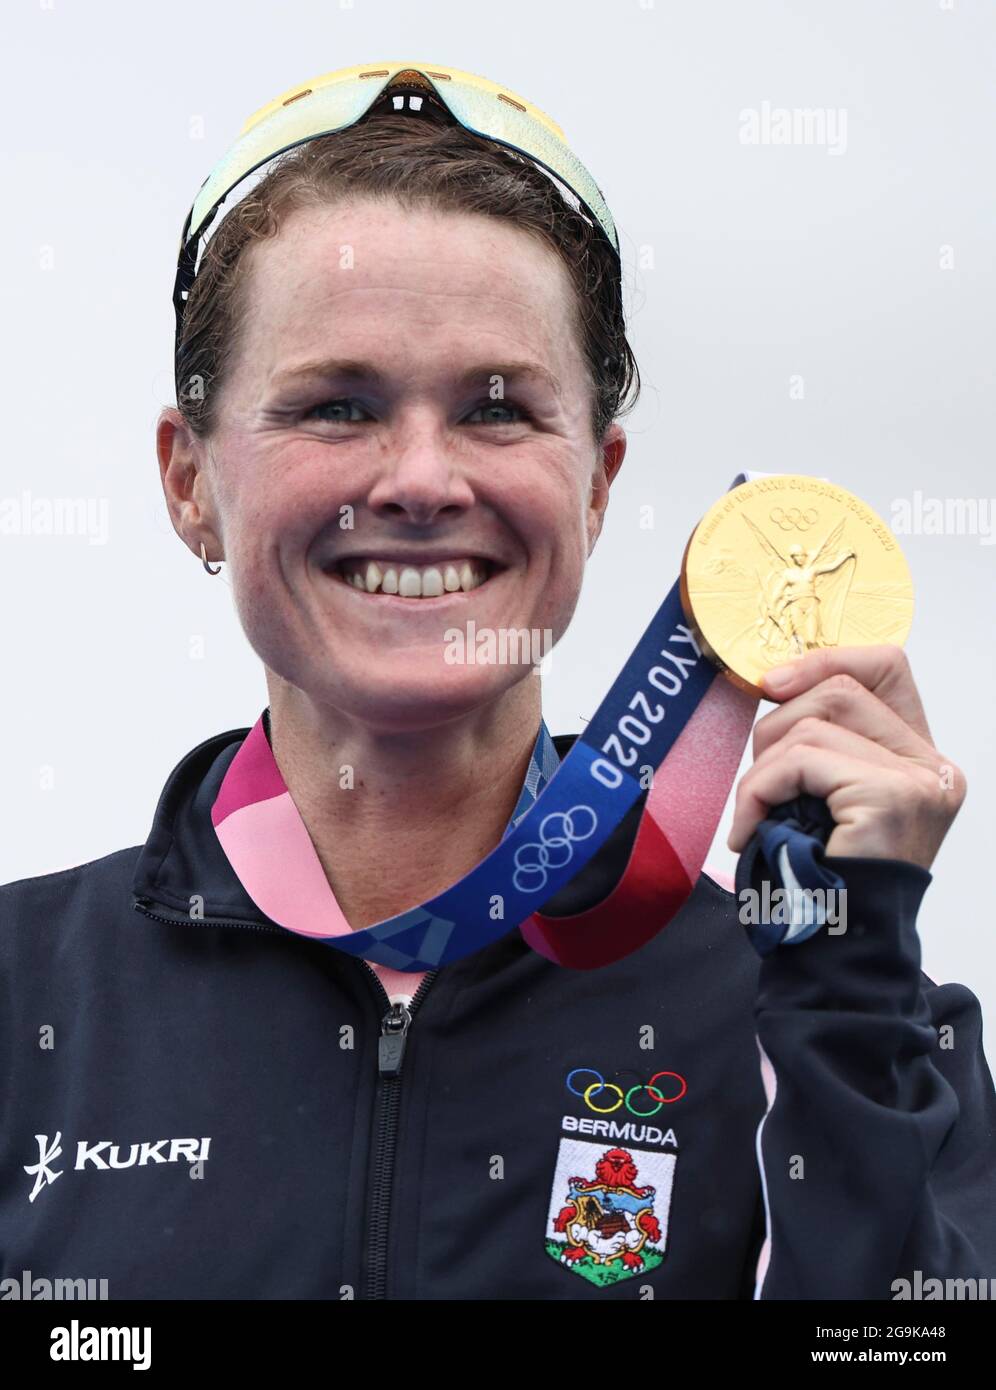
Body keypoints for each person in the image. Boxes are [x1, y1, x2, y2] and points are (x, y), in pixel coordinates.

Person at [1, 62, 994, 1303]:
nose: (421, 480)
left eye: (498, 409)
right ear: (189, 479)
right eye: (336, 406)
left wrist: (844, 982)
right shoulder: (24, 999)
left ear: (596, 481)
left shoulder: (841, 1014)